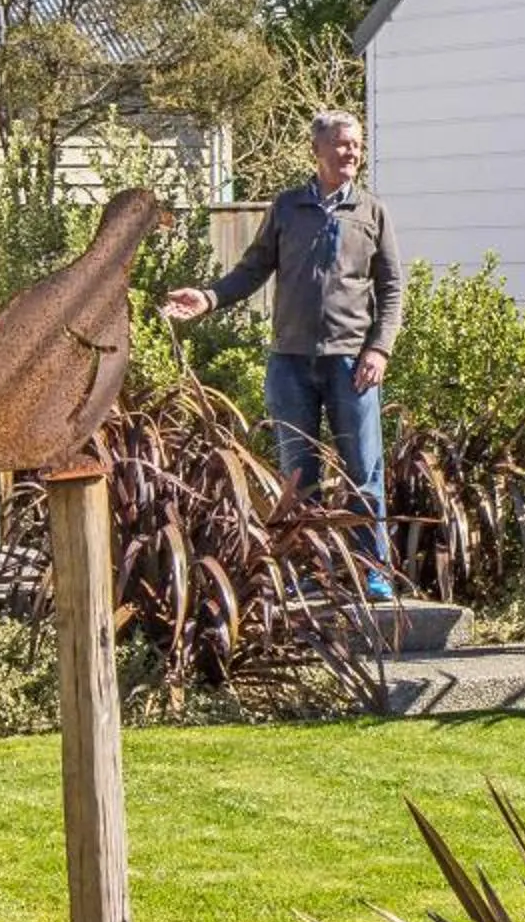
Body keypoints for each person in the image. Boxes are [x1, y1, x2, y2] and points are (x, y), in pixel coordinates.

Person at [161, 110, 405, 599]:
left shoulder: (371, 212)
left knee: (364, 471)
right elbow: (253, 269)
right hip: (290, 363)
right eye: (341, 143)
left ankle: (371, 571)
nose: (352, 152)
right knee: (298, 475)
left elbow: (392, 289)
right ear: (317, 150)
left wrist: (379, 349)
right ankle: (309, 573)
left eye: (357, 144)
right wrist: (208, 297)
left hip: (351, 364)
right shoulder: (288, 207)